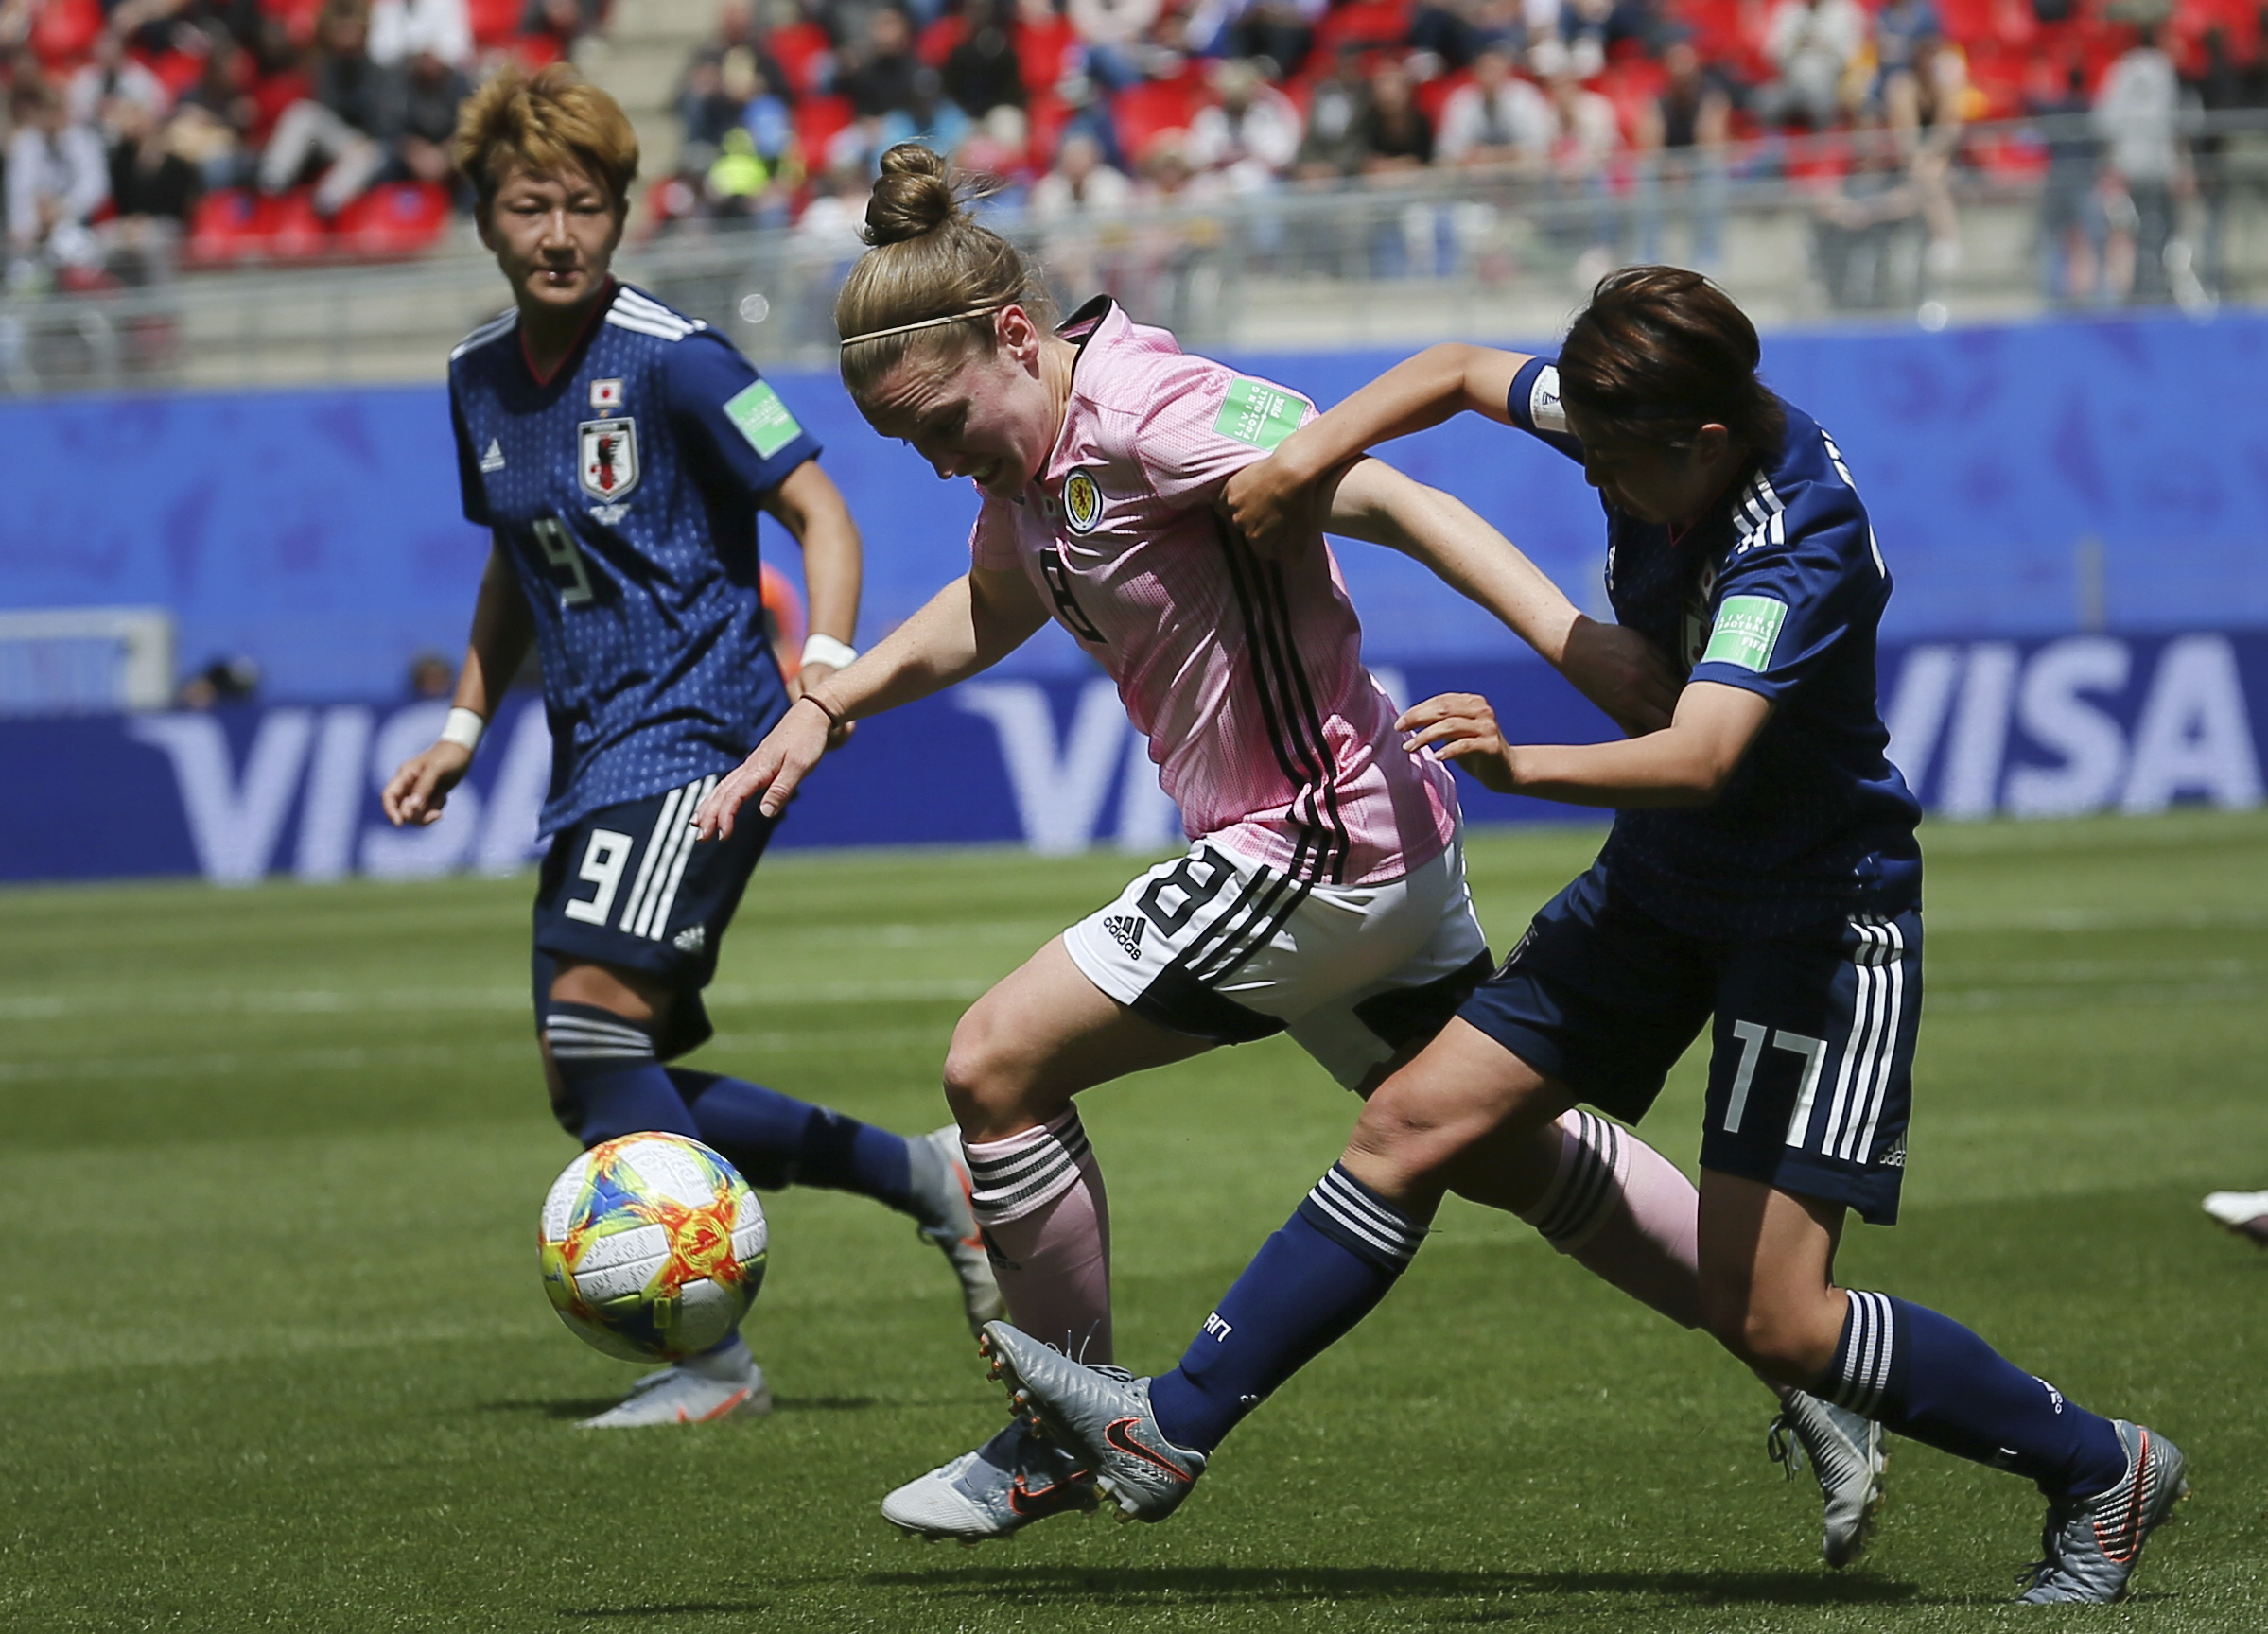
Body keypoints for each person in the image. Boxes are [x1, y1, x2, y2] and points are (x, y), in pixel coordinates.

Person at [691, 146, 1873, 1553]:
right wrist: (825, 704)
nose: (938, 456)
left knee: (993, 1064)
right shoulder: (1029, 459)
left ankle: (1054, 1436)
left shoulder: (1149, 408)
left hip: (1317, 838)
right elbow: (989, 606)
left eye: (940, 421)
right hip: (1339, 843)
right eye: (908, 445)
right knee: (1510, 1157)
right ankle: (1806, 1366)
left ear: (1014, 337)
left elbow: (1385, 496)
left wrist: (1575, 641)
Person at [981, 268, 2190, 1605]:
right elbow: (1447, 366)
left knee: (1777, 1316)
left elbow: (1702, 753)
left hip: (1812, 919)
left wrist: (1521, 762)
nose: (1602, 486)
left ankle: (2101, 1465)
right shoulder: (1646, 412)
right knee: (1410, 1122)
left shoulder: (1795, 545)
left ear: (1707, 447)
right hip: (1663, 886)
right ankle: (1173, 1426)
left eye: (1623, 470)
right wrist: (1307, 453)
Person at [378, 65, 1000, 1431]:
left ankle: (715, 1364)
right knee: (591, 1072)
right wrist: (464, 725)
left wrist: (816, 687)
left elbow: (822, 516)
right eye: (529, 206)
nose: (558, 234)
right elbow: (517, 565)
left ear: (622, 215)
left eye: (585, 206)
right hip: (585, 753)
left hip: (702, 733)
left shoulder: (677, 356)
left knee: (590, 1015)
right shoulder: (475, 379)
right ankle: (932, 1182)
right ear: (484, 219)